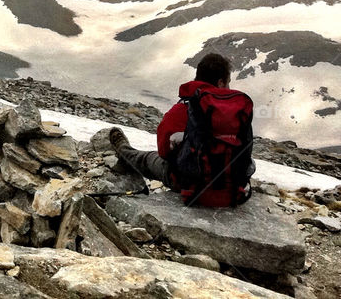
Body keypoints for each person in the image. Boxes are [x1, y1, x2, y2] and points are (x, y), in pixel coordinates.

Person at [108, 53, 255, 207]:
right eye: (228, 82)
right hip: (231, 187)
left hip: (188, 184)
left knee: (146, 159)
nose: (229, 88)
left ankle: (122, 149)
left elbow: (164, 151)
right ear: (220, 83)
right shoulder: (236, 112)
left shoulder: (183, 108)